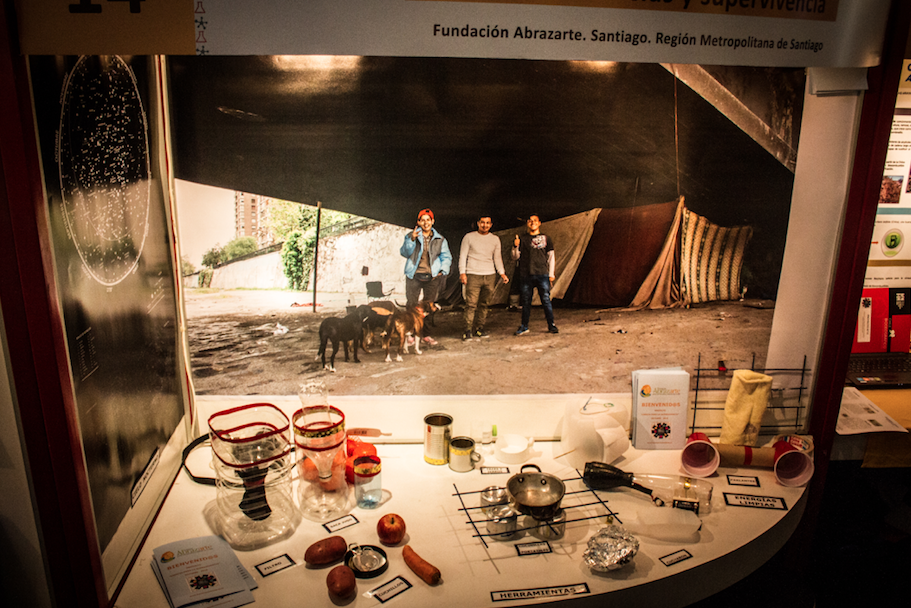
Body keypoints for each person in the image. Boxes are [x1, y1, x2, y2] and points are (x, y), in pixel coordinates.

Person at [400, 208, 452, 346]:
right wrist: (411, 240)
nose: (425, 222)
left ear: (432, 221)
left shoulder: (440, 239)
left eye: (428, 220)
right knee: (411, 304)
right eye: (422, 220)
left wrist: (442, 270)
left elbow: (446, 256)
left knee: (429, 305)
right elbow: (404, 253)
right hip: (414, 275)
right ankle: (410, 333)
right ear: (418, 222)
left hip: (432, 277)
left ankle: (425, 335)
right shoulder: (411, 235)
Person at [459, 215, 509, 340]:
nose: (485, 225)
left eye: (487, 223)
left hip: (489, 274)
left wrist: (502, 273)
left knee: (484, 304)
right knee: (471, 304)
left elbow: (497, 257)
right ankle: (468, 329)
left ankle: (479, 328)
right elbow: (463, 256)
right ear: (478, 223)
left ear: (491, 225)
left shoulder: (495, 239)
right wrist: (462, 272)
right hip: (473, 274)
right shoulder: (469, 237)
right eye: (482, 222)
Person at [511, 214, 558, 335]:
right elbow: (515, 257)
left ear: (539, 223)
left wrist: (551, 273)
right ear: (527, 223)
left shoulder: (546, 238)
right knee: (526, 301)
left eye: (535, 221)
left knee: (546, 300)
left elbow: (551, 257)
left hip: (542, 274)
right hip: (526, 274)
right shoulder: (522, 239)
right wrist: (515, 246)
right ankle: (524, 326)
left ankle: (551, 325)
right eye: (530, 221)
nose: (532, 223)